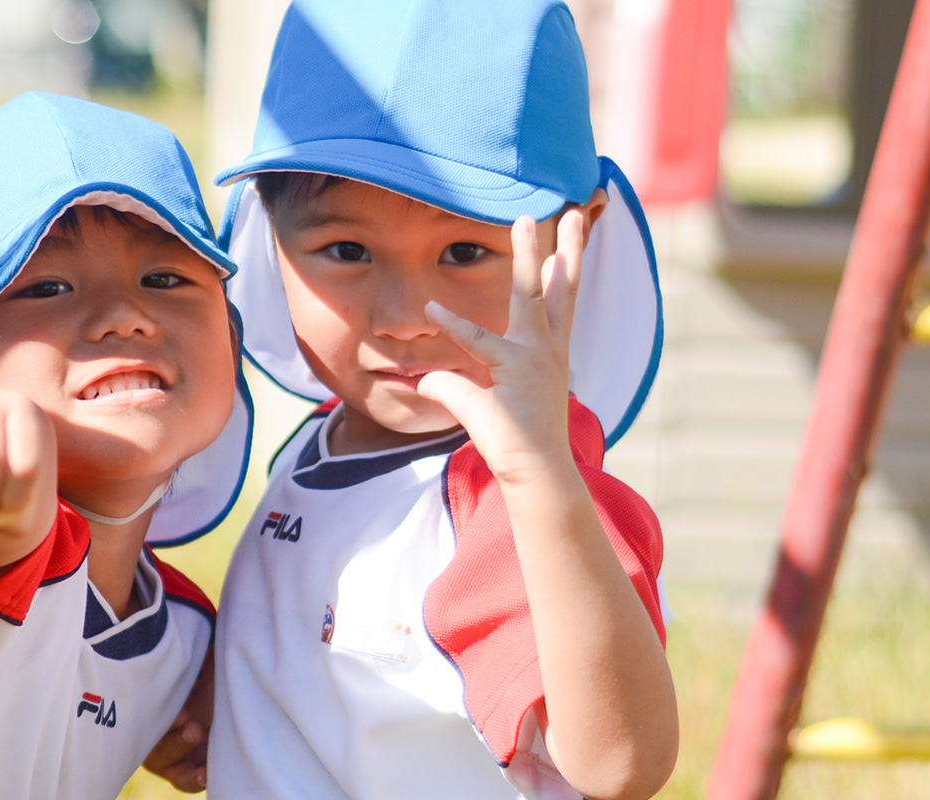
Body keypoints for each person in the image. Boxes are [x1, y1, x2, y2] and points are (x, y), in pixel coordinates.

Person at [205, 1, 677, 798]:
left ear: (578, 238)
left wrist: (540, 483)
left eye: (465, 252)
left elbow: (622, 764)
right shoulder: (321, 442)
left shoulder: (510, 495)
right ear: (269, 230)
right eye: (346, 250)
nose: (405, 318)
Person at [0, 92, 255, 798]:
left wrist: (207, 699)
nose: (125, 316)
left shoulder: (186, 638)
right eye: (45, 287)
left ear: (233, 339)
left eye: (164, 278)